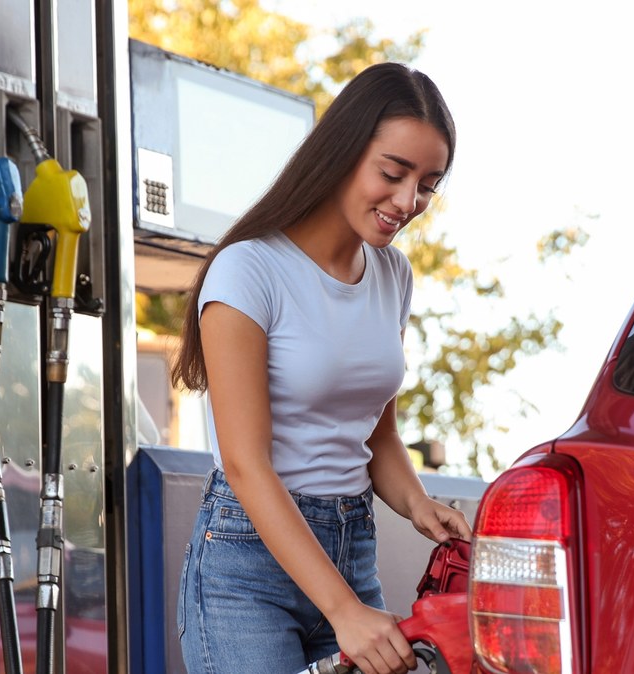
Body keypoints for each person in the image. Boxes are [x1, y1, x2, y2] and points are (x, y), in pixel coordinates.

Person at [171, 62, 471, 674]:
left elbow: (377, 432)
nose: (408, 201)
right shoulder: (248, 270)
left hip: (350, 545)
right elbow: (246, 465)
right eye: (393, 173)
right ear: (343, 152)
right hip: (247, 569)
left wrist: (418, 505)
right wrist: (345, 612)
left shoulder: (393, 276)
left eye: (428, 185)